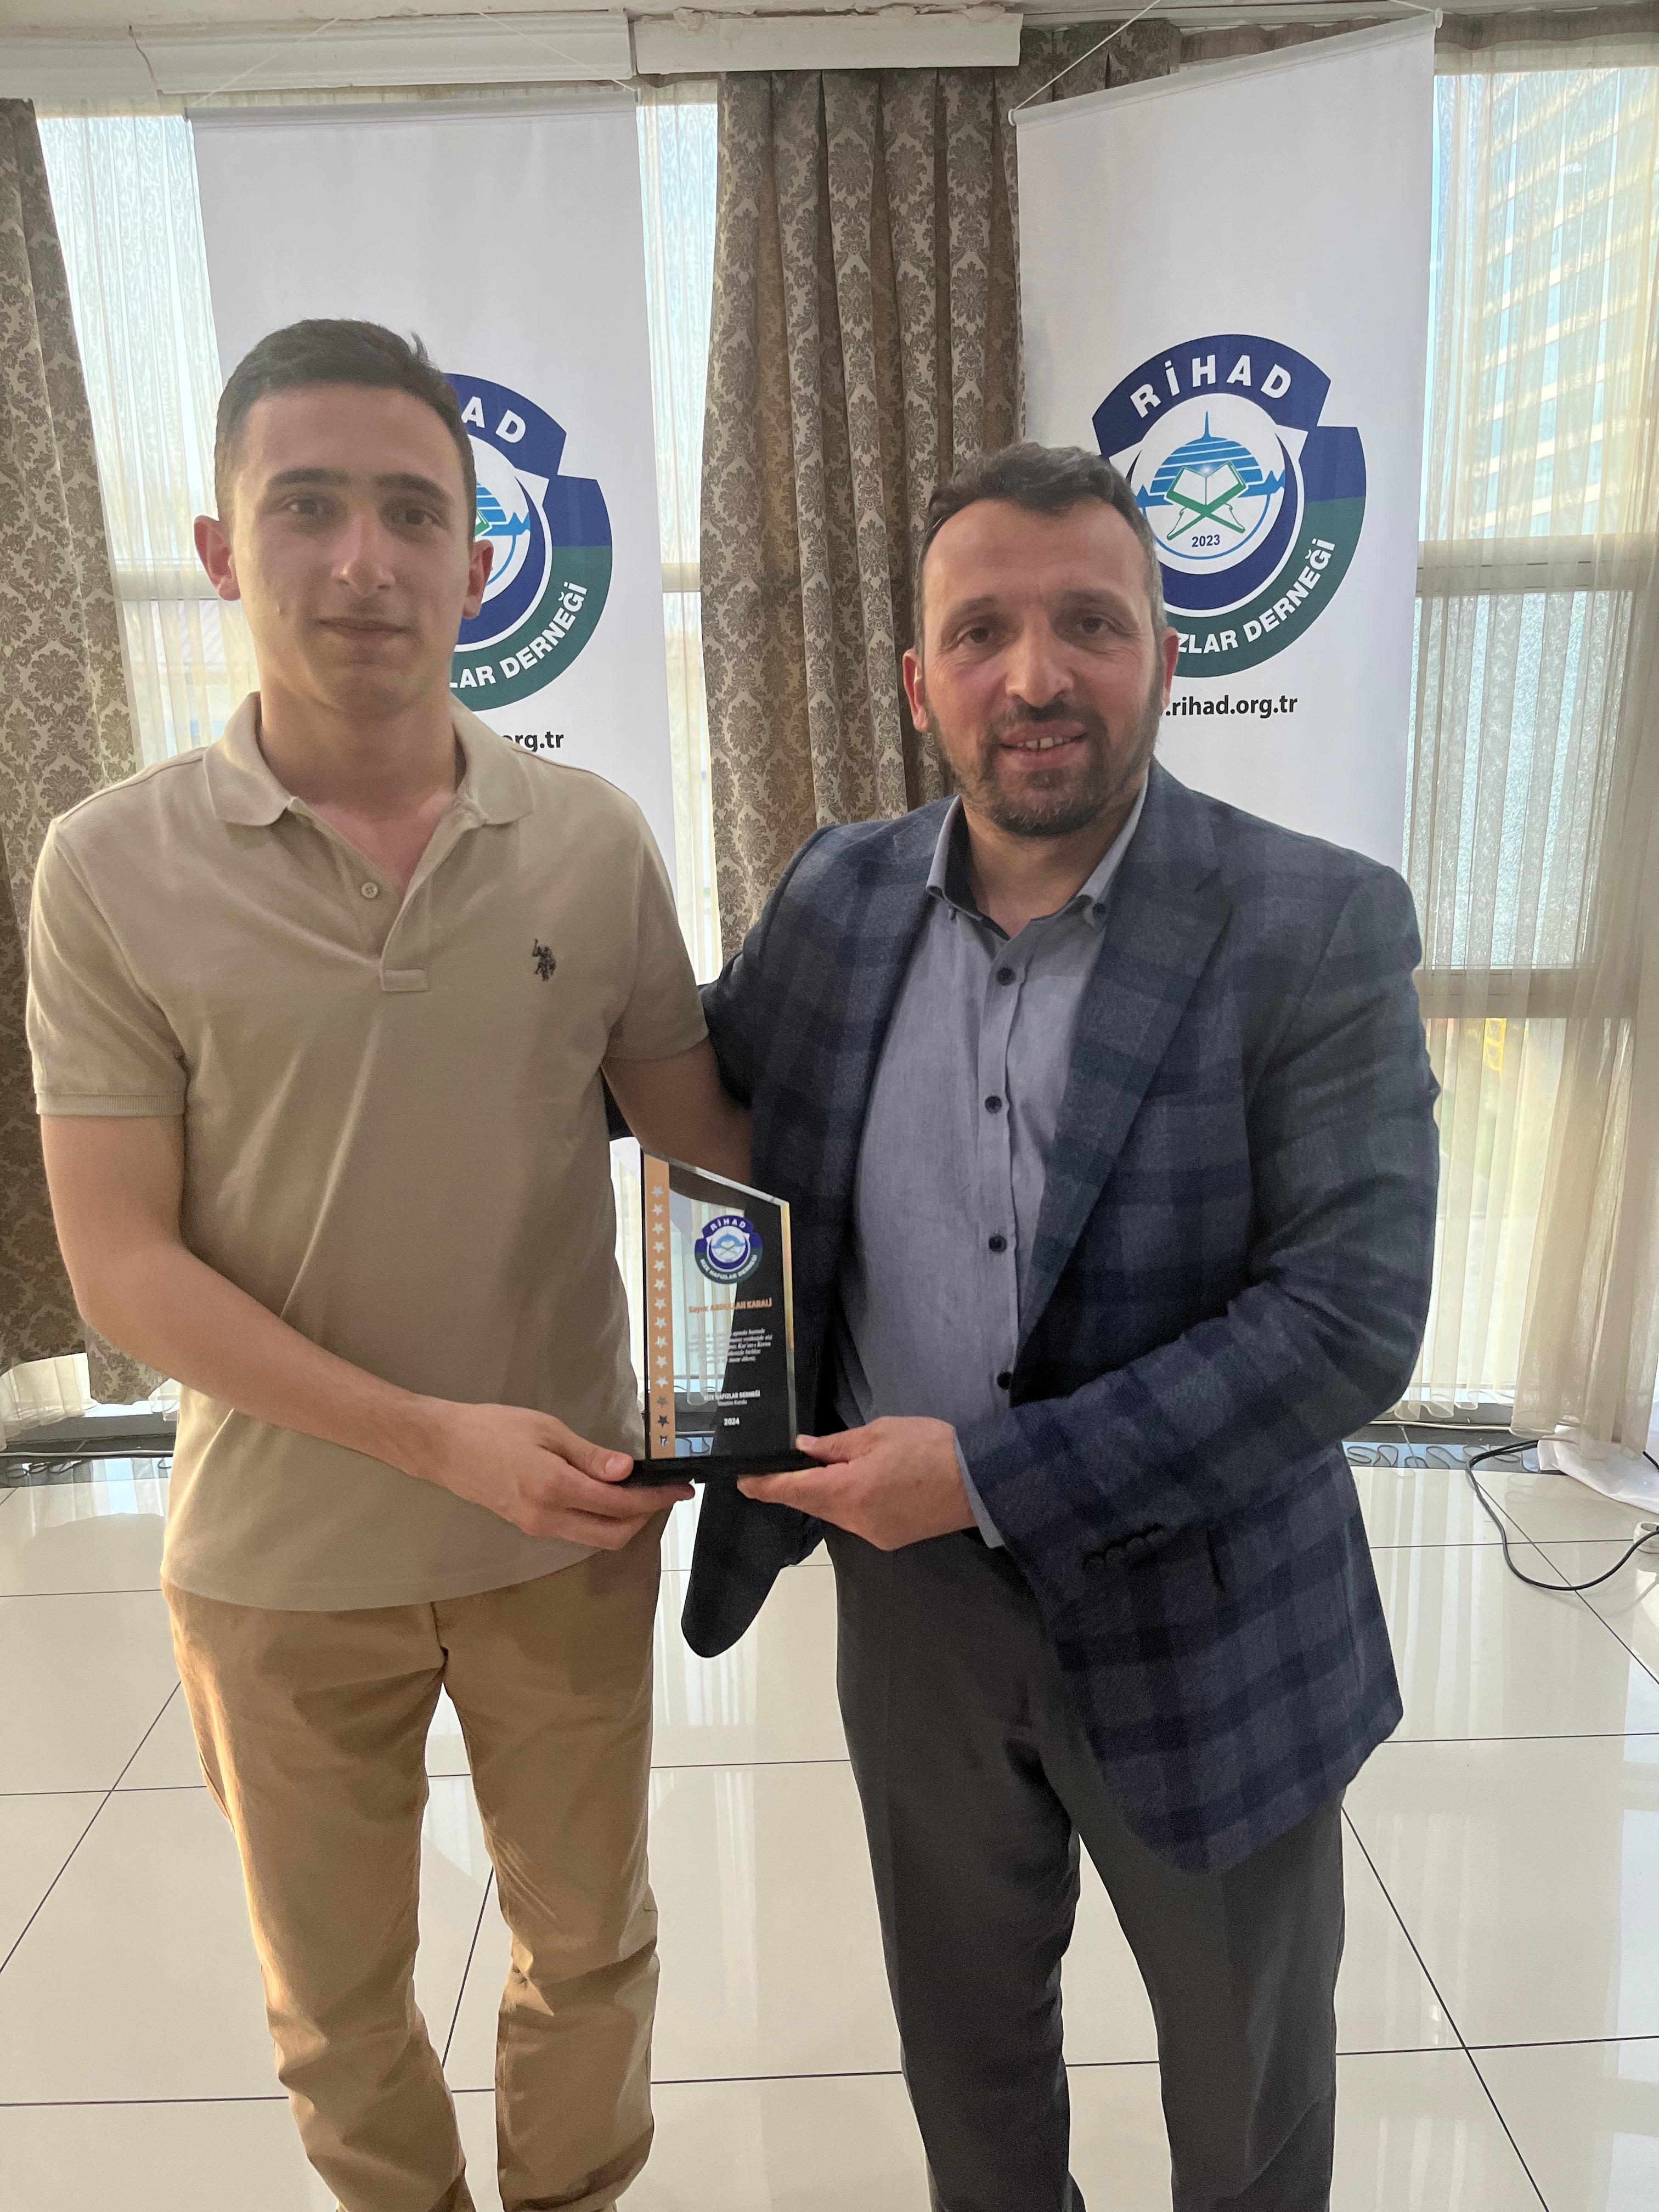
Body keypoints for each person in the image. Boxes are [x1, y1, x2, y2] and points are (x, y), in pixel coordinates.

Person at [27, 319, 743, 2212]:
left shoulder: (589, 843)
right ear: (220, 547)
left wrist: (717, 1427)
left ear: (480, 562)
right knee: (338, 2009)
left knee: (590, 1949)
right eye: (309, 507)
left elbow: (703, 1167)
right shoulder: (107, 866)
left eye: (414, 513)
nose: (365, 559)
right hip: (277, 1560)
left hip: (563, 1534)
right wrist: (432, 1439)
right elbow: (121, 1266)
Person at [681, 443, 1440, 2211]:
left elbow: (1350, 1319)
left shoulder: (1314, 921)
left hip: (1213, 1604)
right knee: (971, 2067)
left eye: (1090, 624)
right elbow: (696, 1114)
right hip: (913, 1613)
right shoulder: (834, 898)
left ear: (1164, 657)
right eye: (982, 631)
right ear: (919, 682)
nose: (1035, 674)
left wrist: (987, 1475)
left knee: (1248, 2107)